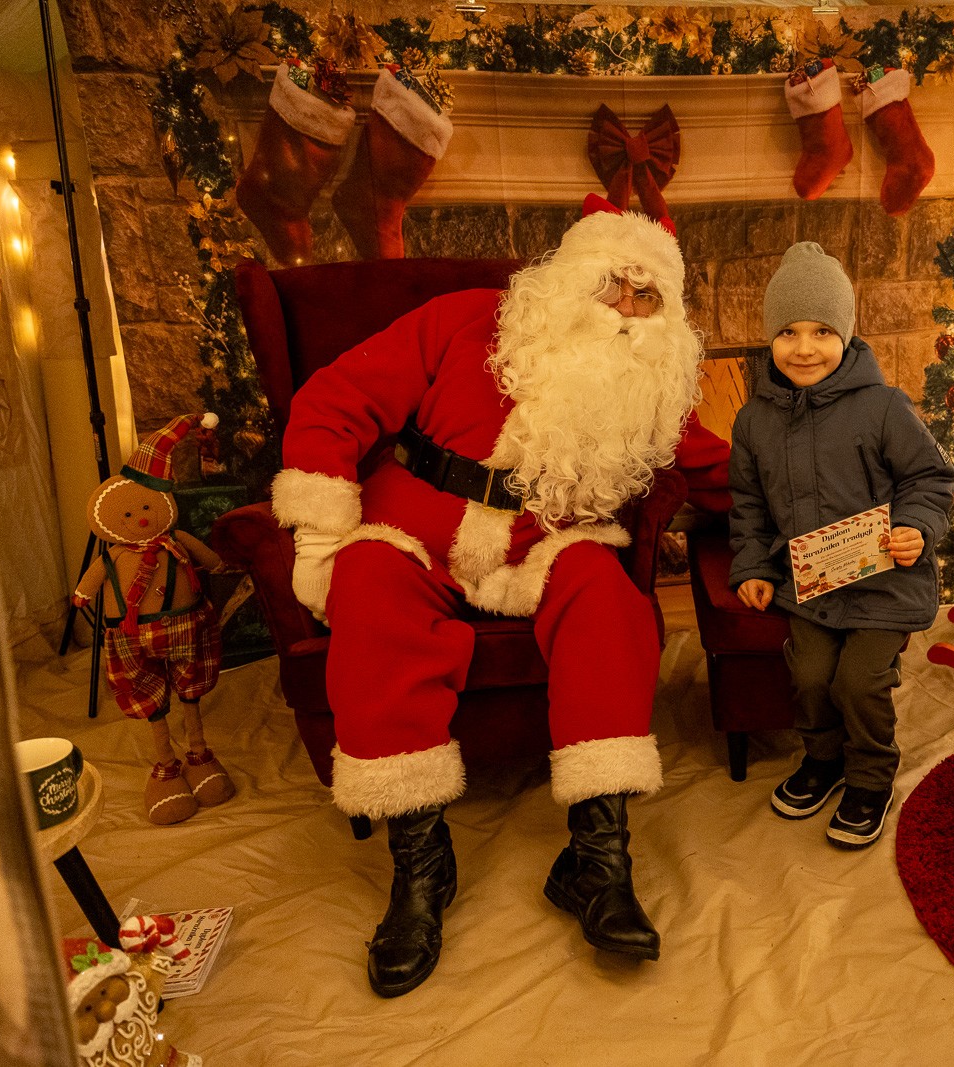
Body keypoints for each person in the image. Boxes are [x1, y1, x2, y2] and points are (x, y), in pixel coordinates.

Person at [270, 196, 730, 997]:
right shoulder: (464, 320)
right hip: (418, 524)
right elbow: (337, 398)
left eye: (646, 295)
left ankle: (596, 861)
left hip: (542, 543)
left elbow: (719, 470)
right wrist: (319, 530)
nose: (625, 307)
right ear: (572, 275)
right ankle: (421, 865)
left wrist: (814, 521)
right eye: (613, 282)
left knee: (609, 597)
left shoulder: (651, 382)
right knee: (369, 581)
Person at [728, 241, 954, 849]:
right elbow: (747, 505)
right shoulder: (753, 422)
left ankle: (870, 779)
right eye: (789, 332)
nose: (804, 348)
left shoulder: (883, 408)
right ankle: (823, 760)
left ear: (847, 335)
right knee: (808, 676)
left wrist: (916, 527)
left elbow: (929, 478)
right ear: (770, 338)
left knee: (857, 682)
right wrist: (752, 566)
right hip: (810, 585)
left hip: (885, 583)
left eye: (822, 331)